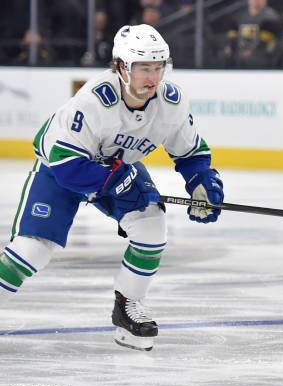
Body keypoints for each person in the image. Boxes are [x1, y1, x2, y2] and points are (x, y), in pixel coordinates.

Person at [0, 24, 224, 351]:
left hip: (118, 169)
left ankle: (128, 308)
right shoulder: (93, 100)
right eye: (143, 68)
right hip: (62, 171)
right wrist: (117, 184)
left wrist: (201, 183)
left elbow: (191, 152)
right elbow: (66, 163)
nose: (152, 77)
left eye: (158, 67)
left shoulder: (171, 102)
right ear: (121, 66)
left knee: (151, 227)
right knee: (32, 249)